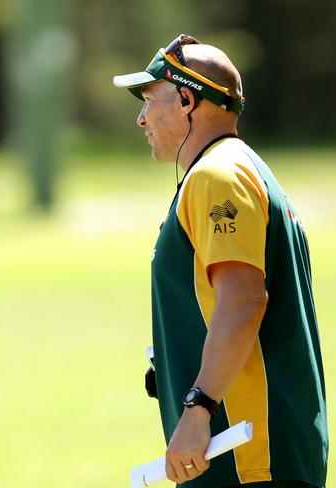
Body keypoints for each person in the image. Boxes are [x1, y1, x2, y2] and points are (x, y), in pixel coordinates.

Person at [113, 35, 327, 487]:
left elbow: (244, 299)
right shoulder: (240, 168)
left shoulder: (218, 175)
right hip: (259, 451)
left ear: (187, 100)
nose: (140, 118)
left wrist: (198, 408)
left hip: (247, 455)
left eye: (149, 100)